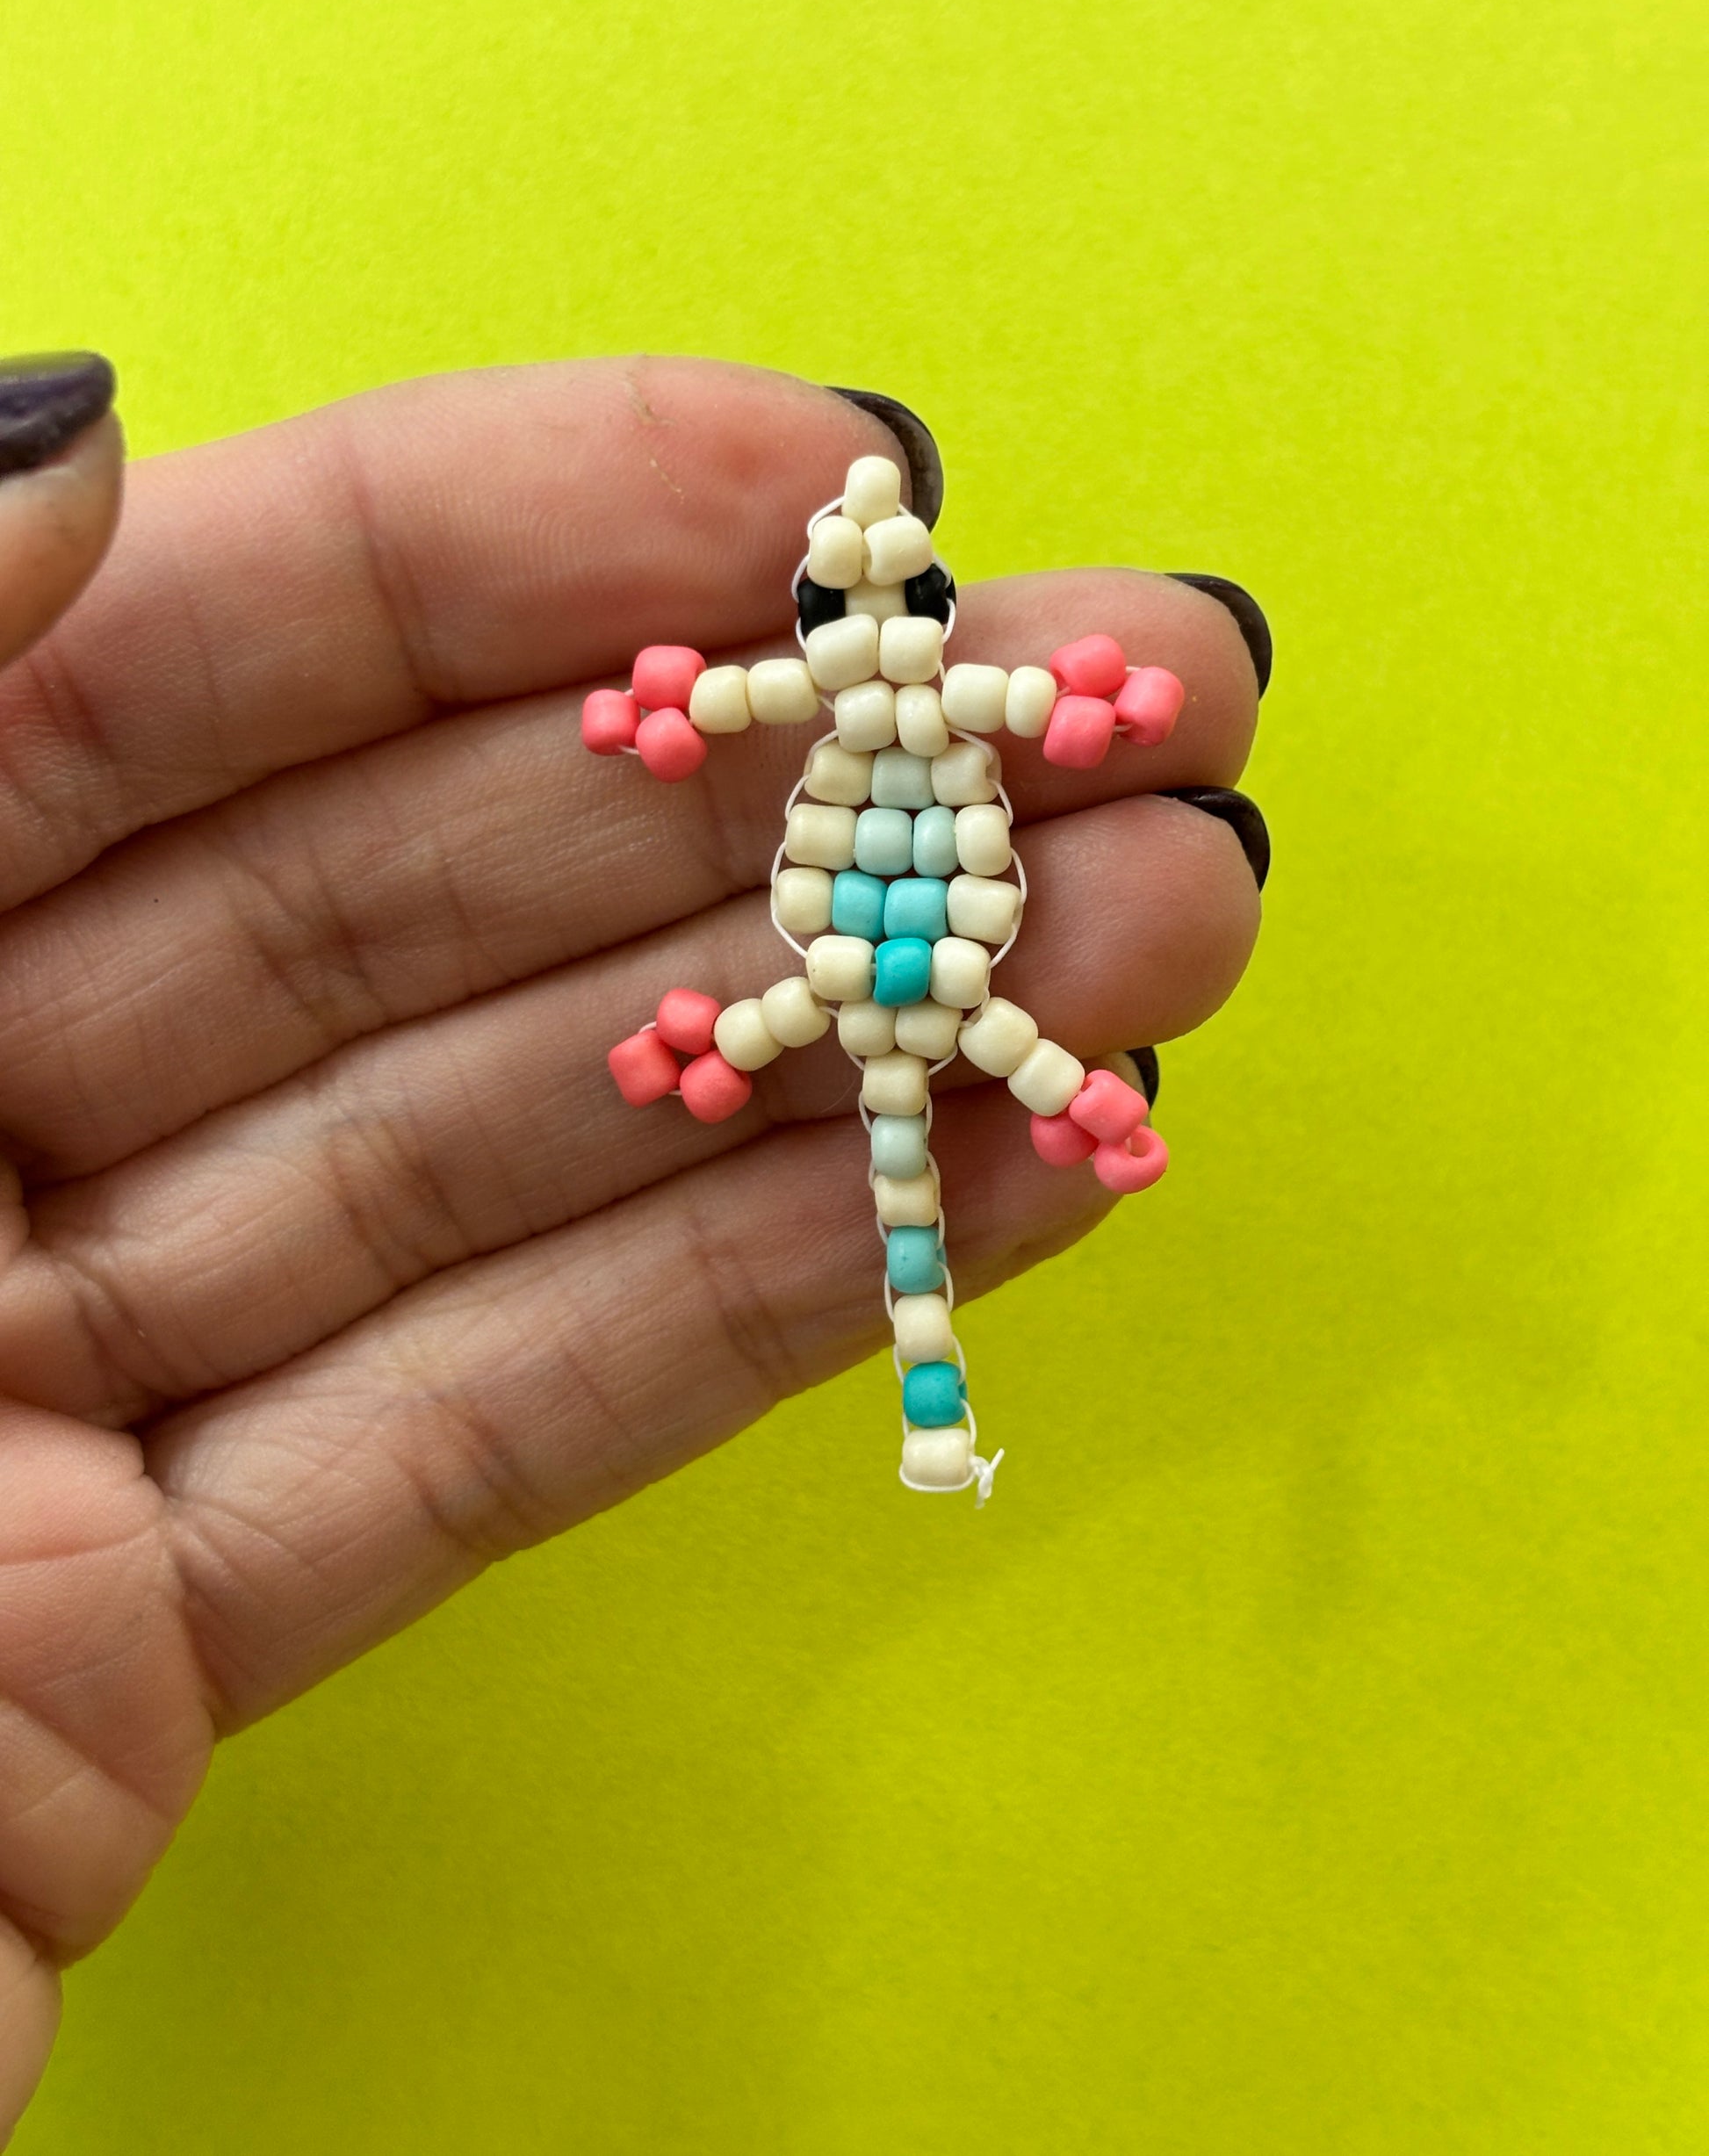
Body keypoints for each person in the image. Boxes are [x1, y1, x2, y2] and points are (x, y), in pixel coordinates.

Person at [0, 350, 1267, 2128]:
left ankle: (921, 1232)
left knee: (892, 1111)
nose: (871, 627)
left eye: (892, 608)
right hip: (877, 955)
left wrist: (1054, 705)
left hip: (897, 953)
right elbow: (787, 701)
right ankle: (925, 1257)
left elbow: (931, 699)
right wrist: (686, 709)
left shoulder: (900, 690)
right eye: (850, 607)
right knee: (884, 1110)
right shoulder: (886, 690)